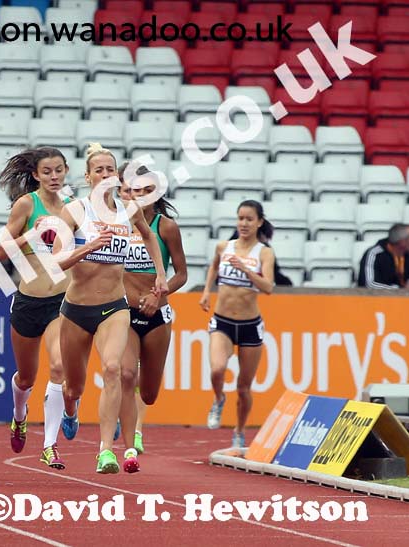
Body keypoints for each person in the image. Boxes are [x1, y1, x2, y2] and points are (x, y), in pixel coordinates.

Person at [52, 143, 168, 474]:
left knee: (114, 369)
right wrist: (89, 246)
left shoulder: (128, 211)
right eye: (98, 170)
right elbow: (57, 262)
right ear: (88, 177)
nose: (105, 175)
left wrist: (160, 274)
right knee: (74, 387)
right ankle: (71, 409)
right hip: (76, 309)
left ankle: (106, 451)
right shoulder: (75, 212)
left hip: (114, 308)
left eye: (110, 170)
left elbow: (149, 237)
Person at [0, 147, 71, 469]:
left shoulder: (73, 209)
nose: (54, 177)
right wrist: (31, 235)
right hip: (28, 300)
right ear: (36, 175)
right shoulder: (27, 204)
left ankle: (49, 445)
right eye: (47, 172)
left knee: (58, 368)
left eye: (59, 170)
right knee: (26, 378)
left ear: (66, 171)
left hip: (61, 300)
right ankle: (19, 415)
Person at [117, 161, 188, 471]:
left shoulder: (166, 227)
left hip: (157, 313)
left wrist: (159, 295)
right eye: (135, 191)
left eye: (147, 191)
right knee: (125, 374)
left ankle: (130, 410)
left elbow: (182, 274)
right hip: (122, 311)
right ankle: (129, 448)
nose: (141, 196)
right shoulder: (117, 224)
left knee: (149, 391)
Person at [199, 200, 275, 449]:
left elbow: (268, 288)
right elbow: (213, 267)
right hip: (222, 320)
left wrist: (246, 270)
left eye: (249, 219)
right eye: (240, 218)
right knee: (217, 369)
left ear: (259, 222)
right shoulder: (224, 246)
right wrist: (207, 292)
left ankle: (240, 430)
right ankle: (218, 399)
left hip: (250, 324)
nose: (243, 223)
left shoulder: (264, 252)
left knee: (244, 387)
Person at [357, 223, 409, 289]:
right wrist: (398, 289)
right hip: (377, 298)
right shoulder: (374, 254)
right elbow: (369, 284)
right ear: (402, 242)